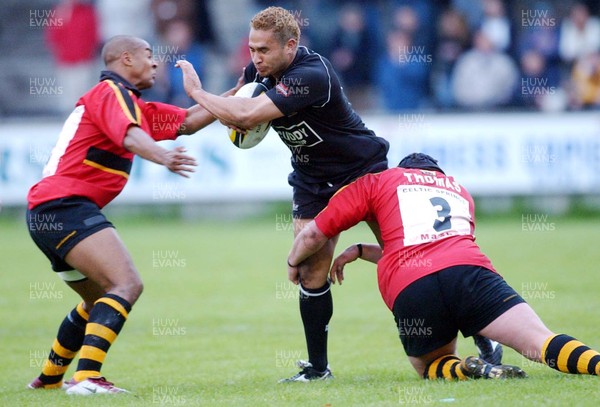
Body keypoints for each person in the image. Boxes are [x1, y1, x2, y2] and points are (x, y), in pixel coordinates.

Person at [177, 6, 390, 382]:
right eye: (251, 49)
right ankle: (318, 369)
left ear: (290, 46)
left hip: (362, 172)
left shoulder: (311, 74)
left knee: (405, 258)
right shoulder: (257, 73)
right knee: (310, 271)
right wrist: (165, 125)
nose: (255, 58)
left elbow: (244, 116)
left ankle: (481, 333)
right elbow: (203, 116)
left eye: (264, 50)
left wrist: (197, 90)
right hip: (311, 180)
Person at [26, 35, 238, 395]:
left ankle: (48, 378)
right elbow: (129, 137)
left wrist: (238, 96)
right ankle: (86, 377)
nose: (155, 63)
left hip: (48, 212)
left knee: (96, 301)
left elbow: (188, 120)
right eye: (148, 55)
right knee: (126, 285)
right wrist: (163, 156)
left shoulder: (132, 105)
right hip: (64, 207)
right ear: (126, 59)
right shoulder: (110, 94)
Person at [286, 153, 600, 380]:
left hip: (412, 288)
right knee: (541, 341)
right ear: (438, 174)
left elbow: (314, 234)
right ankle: (597, 364)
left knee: (430, 366)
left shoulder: (379, 181)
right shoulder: (459, 191)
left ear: (403, 169)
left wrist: (293, 262)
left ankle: (467, 368)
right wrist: (360, 251)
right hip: (469, 273)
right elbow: (434, 248)